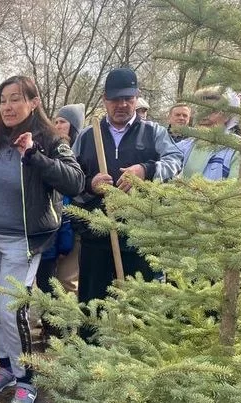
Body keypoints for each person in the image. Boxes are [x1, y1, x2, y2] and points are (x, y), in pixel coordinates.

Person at [0, 75, 85, 403]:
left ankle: (26, 379)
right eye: (3, 99)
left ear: (34, 102)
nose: (8, 106)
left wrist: (33, 155)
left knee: (11, 308)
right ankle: (5, 367)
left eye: (16, 98)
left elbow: (75, 181)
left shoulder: (49, 139)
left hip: (24, 240)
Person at [73, 67, 182, 310]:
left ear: (137, 98)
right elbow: (71, 176)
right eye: (115, 99)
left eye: (128, 98)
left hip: (140, 236)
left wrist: (146, 170)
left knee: (138, 310)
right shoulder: (88, 136)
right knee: (92, 308)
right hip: (97, 236)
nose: (121, 104)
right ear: (104, 100)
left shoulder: (154, 133)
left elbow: (176, 161)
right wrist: (90, 185)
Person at [177, 87, 241, 181]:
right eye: (200, 111)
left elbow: (237, 191)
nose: (204, 117)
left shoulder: (238, 150)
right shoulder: (184, 146)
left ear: (227, 116)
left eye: (211, 111)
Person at [49, 104, 85, 297]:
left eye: (62, 122)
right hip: (53, 225)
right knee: (49, 280)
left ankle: (67, 325)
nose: (57, 125)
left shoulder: (81, 153)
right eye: (55, 122)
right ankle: (50, 322)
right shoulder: (52, 150)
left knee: (67, 280)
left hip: (74, 225)